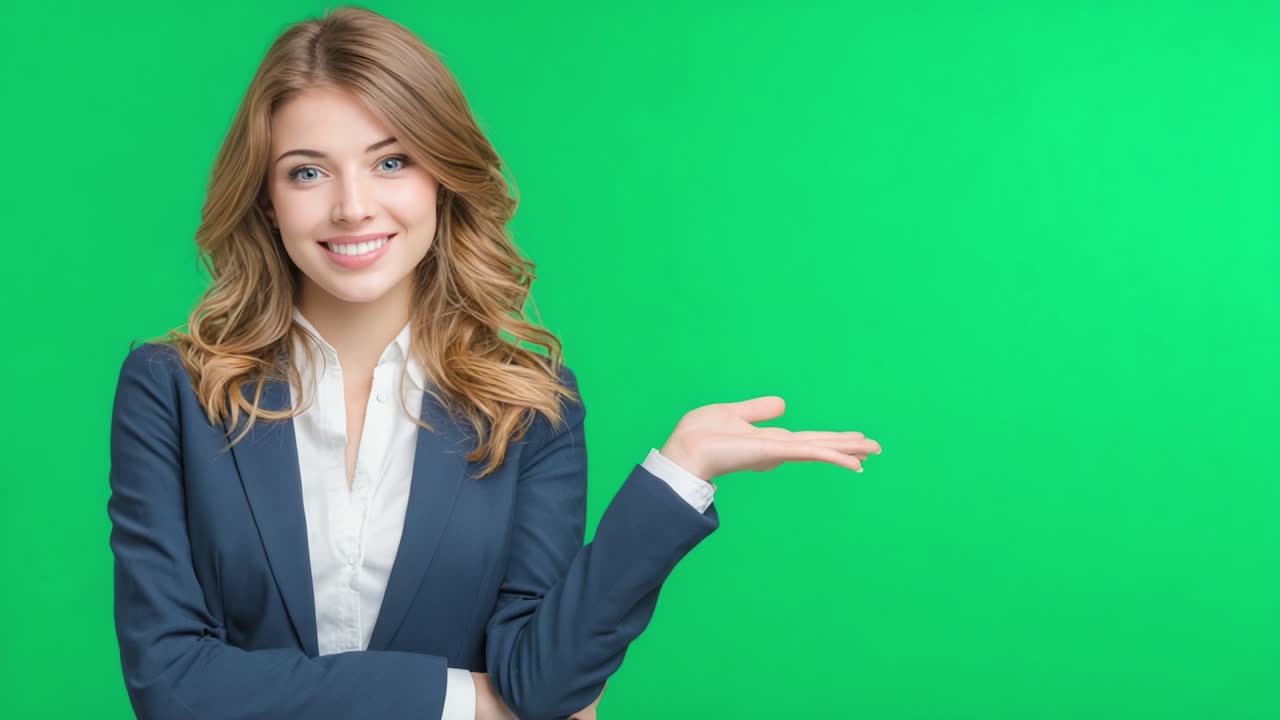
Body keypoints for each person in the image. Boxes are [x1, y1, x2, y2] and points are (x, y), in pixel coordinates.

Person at [106, 6, 881, 720]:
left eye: (391, 162)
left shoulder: (531, 405)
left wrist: (678, 473)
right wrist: (461, 699)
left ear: (441, 177)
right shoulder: (171, 391)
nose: (351, 207)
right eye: (308, 171)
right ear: (268, 200)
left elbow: (540, 683)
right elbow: (172, 687)